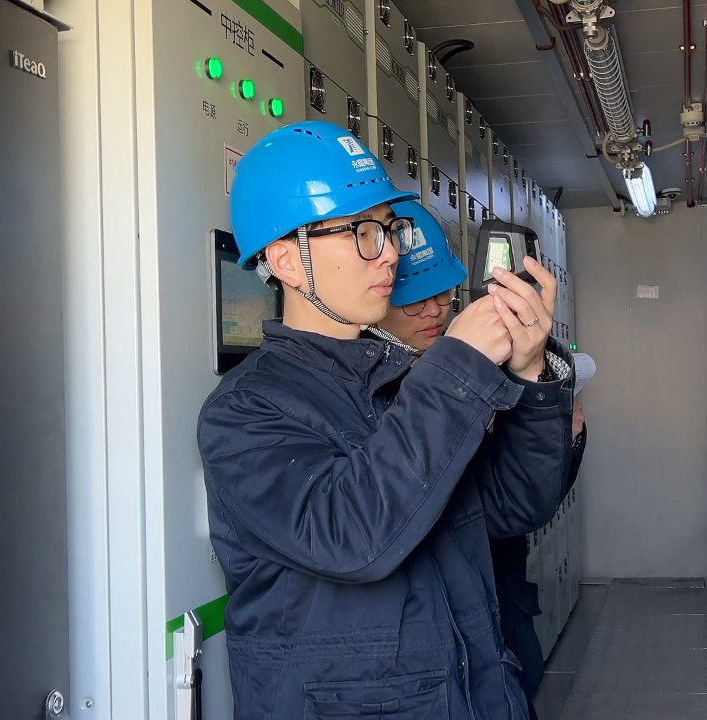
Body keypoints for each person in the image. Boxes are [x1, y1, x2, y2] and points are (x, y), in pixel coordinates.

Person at [197, 121, 575, 720]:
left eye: (389, 228)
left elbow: (513, 505)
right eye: (363, 232)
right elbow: (352, 538)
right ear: (287, 260)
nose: (392, 251)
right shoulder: (244, 412)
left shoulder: (401, 381)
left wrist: (530, 375)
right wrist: (457, 367)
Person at [372, 203, 593, 715]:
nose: (433, 310)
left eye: (442, 295)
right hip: (433, 628)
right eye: (414, 302)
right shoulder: (376, 394)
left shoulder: (486, 363)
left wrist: (555, 423)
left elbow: (526, 499)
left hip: (499, 607)